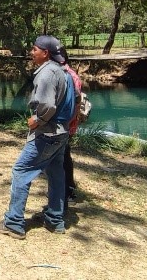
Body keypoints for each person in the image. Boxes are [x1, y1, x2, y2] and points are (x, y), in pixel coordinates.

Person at [0, 35, 75, 240]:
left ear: (45, 53)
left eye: (34, 49)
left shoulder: (47, 74)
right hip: (61, 132)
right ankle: (55, 219)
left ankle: (13, 223)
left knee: (21, 170)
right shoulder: (63, 72)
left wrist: (37, 119)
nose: (31, 52)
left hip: (47, 133)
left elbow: (48, 105)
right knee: (56, 173)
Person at [60, 47, 82, 203]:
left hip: (66, 125)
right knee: (62, 156)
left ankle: (69, 191)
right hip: (64, 124)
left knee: (64, 157)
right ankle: (65, 190)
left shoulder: (71, 76)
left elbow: (77, 104)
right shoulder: (62, 73)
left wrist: (67, 124)